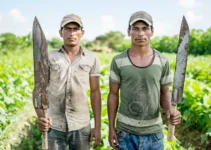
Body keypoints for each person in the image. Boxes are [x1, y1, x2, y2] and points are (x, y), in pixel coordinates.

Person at [107, 11, 181, 150]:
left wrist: (169, 110)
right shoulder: (118, 60)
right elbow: (113, 95)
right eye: (135, 28)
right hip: (125, 132)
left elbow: (164, 93)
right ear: (129, 32)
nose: (140, 33)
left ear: (152, 31)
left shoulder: (162, 61)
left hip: (153, 133)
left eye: (145, 28)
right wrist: (111, 128)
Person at [33, 14, 101, 150]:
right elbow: (38, 90)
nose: (71, 33)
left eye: (75, 29)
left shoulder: (91, 58)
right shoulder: (49, 57)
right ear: (60, 32)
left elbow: (95, 92)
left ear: (82, 33)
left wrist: (98, 126)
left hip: (81, 125)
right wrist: (42, 117)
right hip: (54, 125)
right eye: (67, 29)